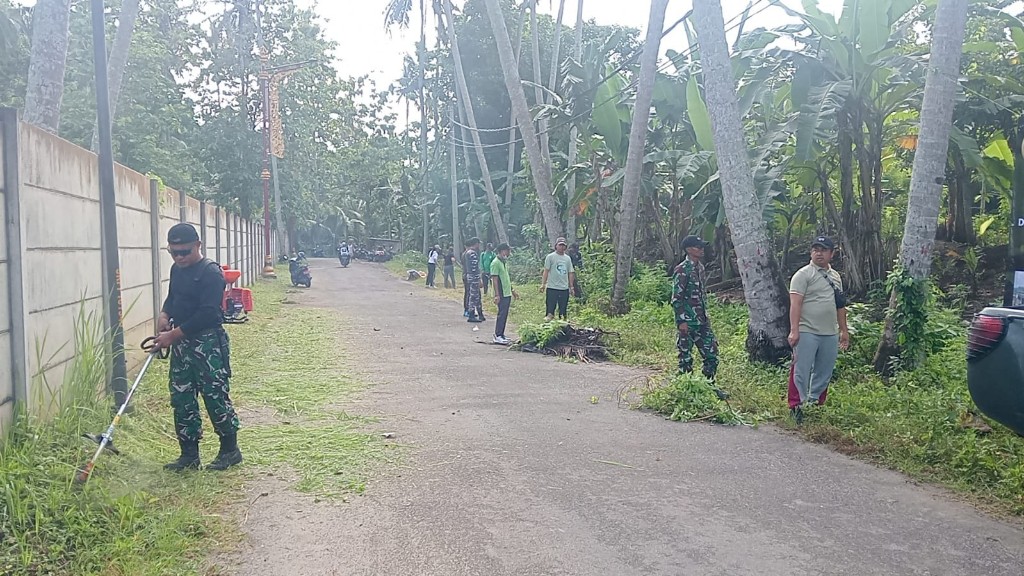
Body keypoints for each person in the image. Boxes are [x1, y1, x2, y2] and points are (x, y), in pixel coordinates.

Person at [153, 223, 242, 471]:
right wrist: (163, 315)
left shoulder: (211, 273)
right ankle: (189, 455)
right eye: (174, 252)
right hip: (180, 342)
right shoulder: (176, 269)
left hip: (207, 343)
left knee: (215, 396)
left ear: (198, 246)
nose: (180, 257)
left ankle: (230, 450)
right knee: (182, 397)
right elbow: (173, 298)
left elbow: (207, 313)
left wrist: (173, 335)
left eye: (185, 251)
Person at [787, 236, 850, 423]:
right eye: (815, 249)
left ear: (832, 253)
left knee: (824, 370)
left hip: (829, 332)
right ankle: (796, 406)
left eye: (823, 250)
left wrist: (843, 330)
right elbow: (795, 304)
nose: (819, 253)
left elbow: (840, 305)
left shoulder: (835, 277)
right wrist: (794, 330)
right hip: (807, 330)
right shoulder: (803, 275)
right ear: (811, 252)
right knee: (801, 369)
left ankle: (815, 404)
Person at [671, 235, 719, 381]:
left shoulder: (700, 268)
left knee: (712, 354)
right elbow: (676, 298)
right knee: (685, 357)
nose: (701, 250)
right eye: (698, 247)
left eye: (702, 247)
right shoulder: (682, 270)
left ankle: (708, 384)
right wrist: (681, 321)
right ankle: (686, 386)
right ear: (689, 249)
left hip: (702, 320)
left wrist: (706, 316)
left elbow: (701, 294)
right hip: (688, 321)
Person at [540, 237, 576, 321]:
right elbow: (546, 271)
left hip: (564, 288)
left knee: (563, 312)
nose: (562, 247)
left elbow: (570, 272)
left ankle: (562, 327)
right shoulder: (550, 257)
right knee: (550, 311)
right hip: (552, 287)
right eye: (560, 245)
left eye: (563, 245)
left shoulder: (567, 258)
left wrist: (571, 287)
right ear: (556, 246)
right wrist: (543, 284)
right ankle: (548, 327)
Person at [490, 243, 519, 344]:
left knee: (505, 314)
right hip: (501, 292)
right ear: (503, 251)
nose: (509, 253)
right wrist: (497, 294)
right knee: (501, 314)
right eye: (508, 250)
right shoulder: (495, 263)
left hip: (507, 292)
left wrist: (512, 290)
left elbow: (506, 278)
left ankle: (501, 334)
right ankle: (497, 335)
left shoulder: (504, 262)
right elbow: (495, 279)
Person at [464, 238, 485, 322]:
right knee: (473, 297)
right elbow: (474, 268)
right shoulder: (472, 253)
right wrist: (479, 279)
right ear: (475, 244)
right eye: (478, 244)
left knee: (477, 296)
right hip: (474, 278)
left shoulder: (468, 253)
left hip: (471, 277)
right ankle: (471, 315)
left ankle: (480, 314)